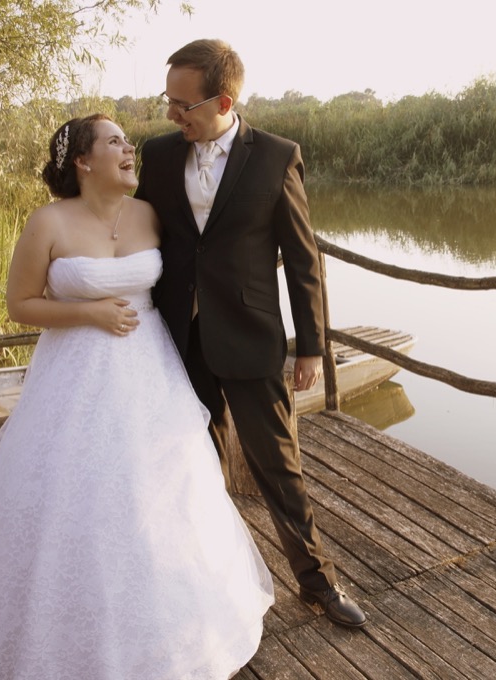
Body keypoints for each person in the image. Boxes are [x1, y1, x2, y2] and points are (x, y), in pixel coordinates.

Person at [0, 114, 274, 680]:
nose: (128, 148)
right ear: (83, 161)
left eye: (127, 141)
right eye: (115, 141)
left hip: (149, 374)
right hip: (72, 375)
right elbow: (20, 303)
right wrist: (88, 312)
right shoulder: (47, 222)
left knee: (155, 488)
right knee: (71, 487)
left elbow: (203, 261)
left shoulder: (149, 214)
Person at [134, 39, 367, 629]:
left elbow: (303, 259)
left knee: (277, 467)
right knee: (190, 464)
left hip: (250, 336)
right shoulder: (157, 155)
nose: (172, 114)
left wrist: (310, 346)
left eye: (183, 104)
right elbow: (138, 232)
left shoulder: (276, 157)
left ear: (223, 101)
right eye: (168, 101)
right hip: (176, 340)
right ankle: (197, 585)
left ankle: (318, 582)